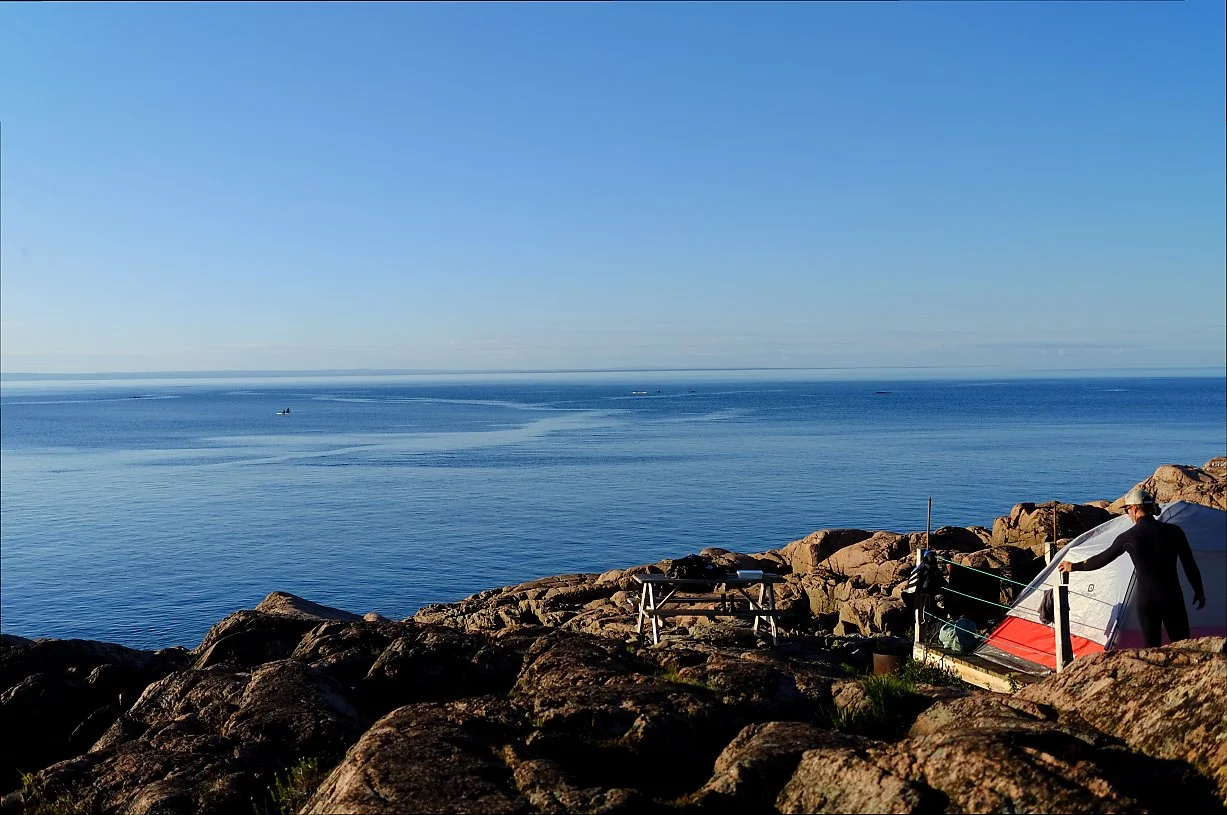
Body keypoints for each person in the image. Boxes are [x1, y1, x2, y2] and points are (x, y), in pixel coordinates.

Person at [1058, 488, 1206, 647]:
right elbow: (1189, 564)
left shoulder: (1129, 536)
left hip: (1147, 601)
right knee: (1183, 646)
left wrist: (1073, 566)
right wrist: (1199, 590)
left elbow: (1102, 559)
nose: (1128, 514)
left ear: (1135, 509)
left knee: (1152, 650)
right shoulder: (1174, 531)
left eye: (1127, 509)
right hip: (1173, 598)